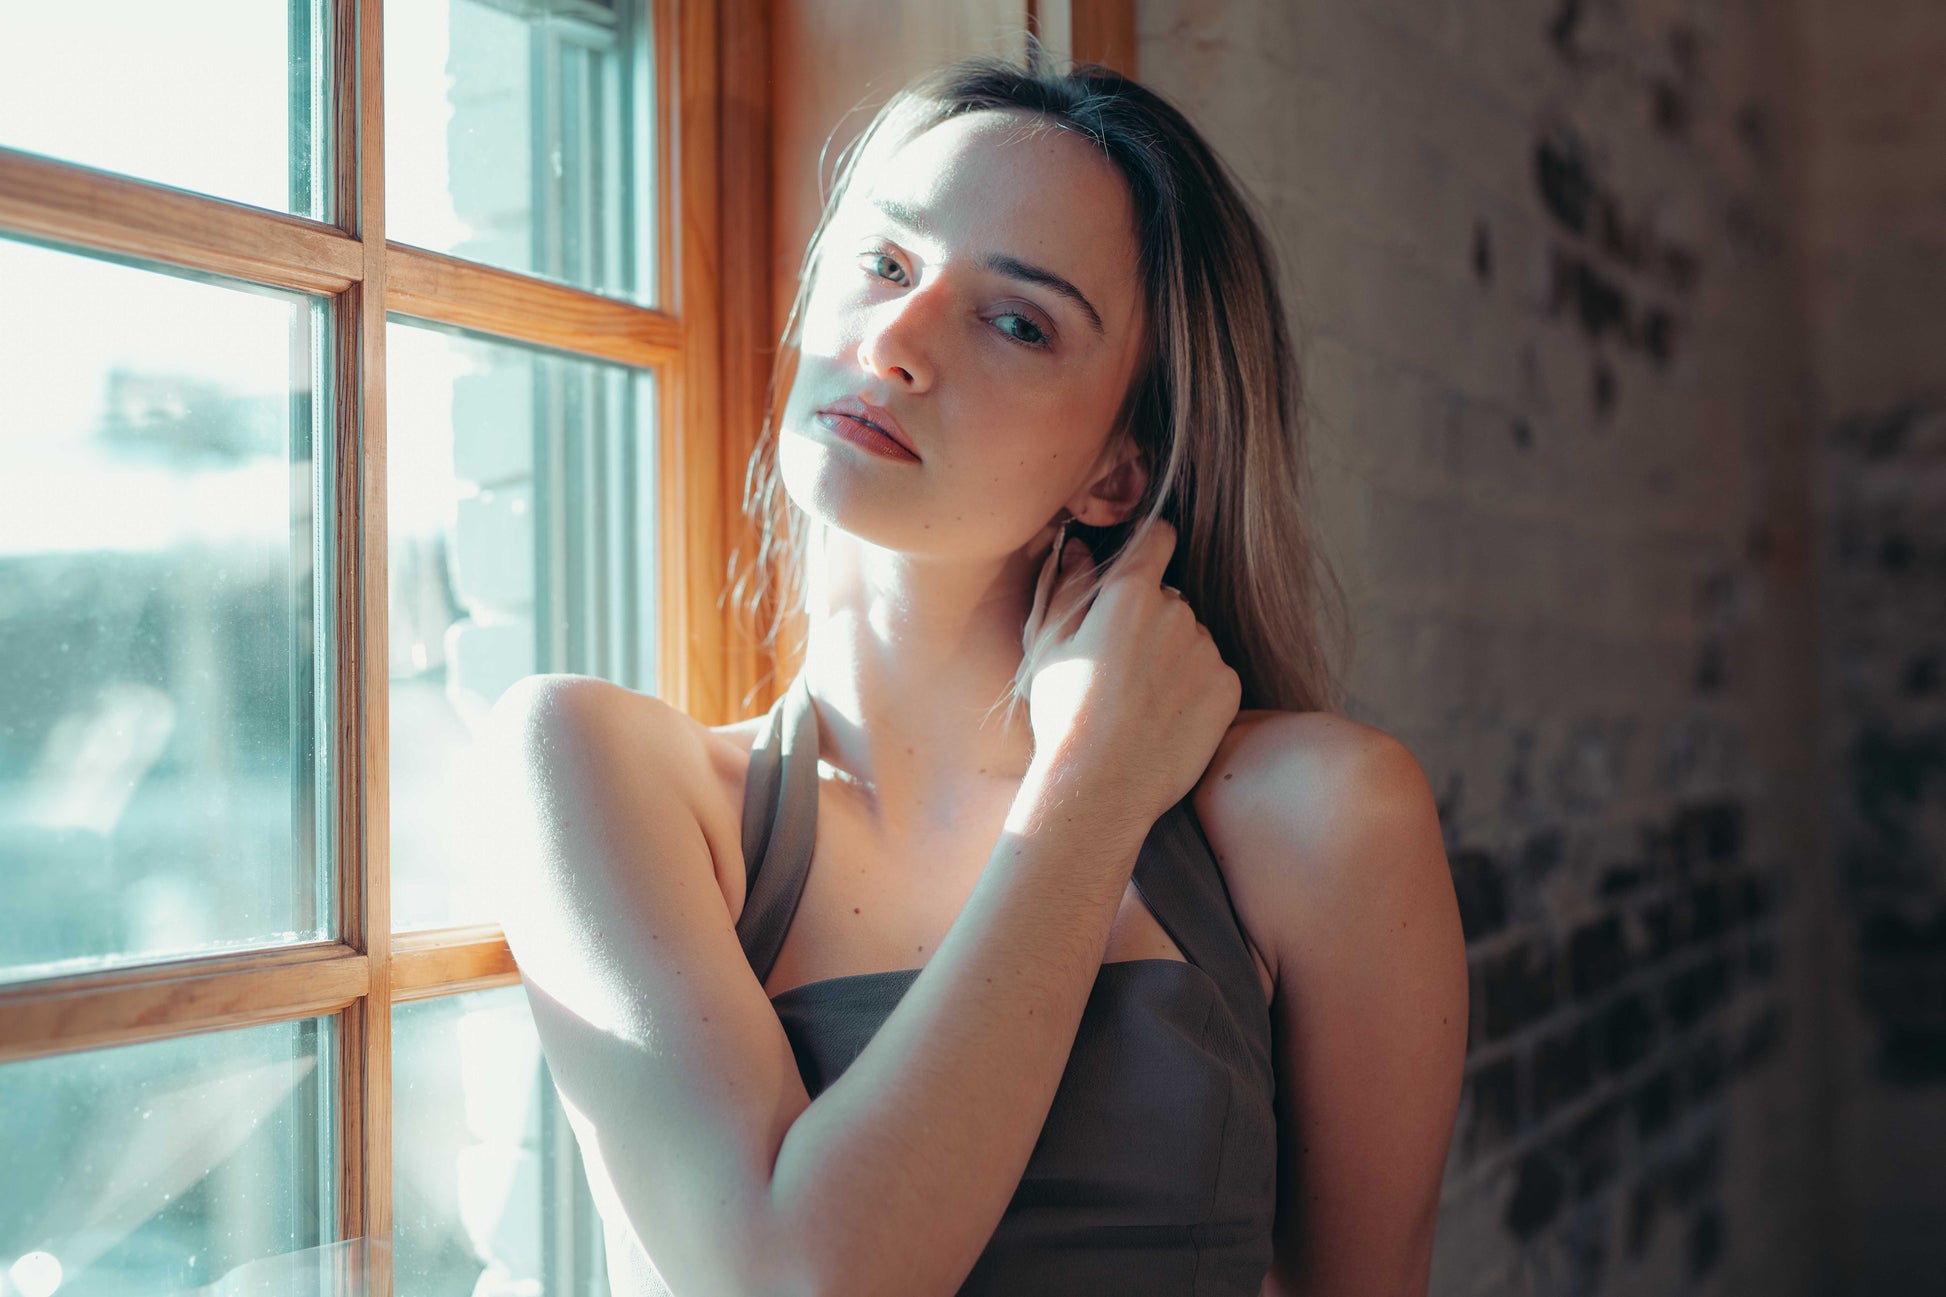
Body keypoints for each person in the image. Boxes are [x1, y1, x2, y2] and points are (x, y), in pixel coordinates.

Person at [479, 55, 1468, 1297]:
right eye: (883, 265)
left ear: (1119, 467)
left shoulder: (1316, 817)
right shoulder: (598, 768)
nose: (890, 341)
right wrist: (1090, 791)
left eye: (1015, 321)